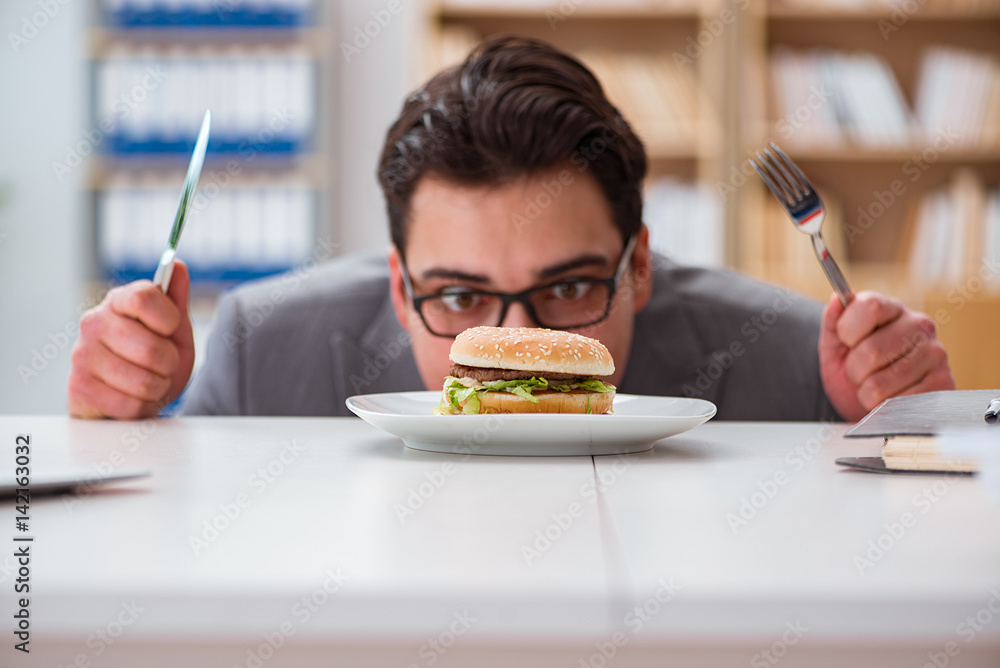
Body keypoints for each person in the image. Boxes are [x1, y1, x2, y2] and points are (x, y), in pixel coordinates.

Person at [67, 36, 954, 422]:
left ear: (639, 266)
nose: (515, 346)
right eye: (458, 296)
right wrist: (113, 419)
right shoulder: (262, 349)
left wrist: (904, 423)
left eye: (568, 287)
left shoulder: (796, 360)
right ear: (399, 286)